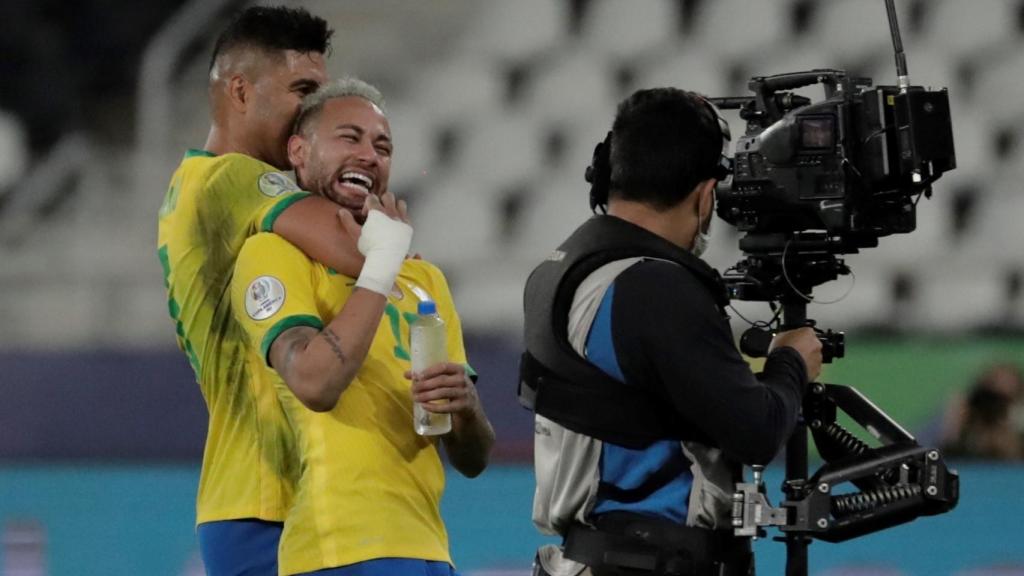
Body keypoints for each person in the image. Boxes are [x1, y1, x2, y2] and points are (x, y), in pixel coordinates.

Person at [519, 88, 823, 576]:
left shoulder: (553, 272)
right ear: (706, 196)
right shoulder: (655, 286)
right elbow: (758, 429)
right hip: (648, 561)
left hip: (582, 559)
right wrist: (792, 362)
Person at [156, 6, 397, 575]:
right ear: (240, 91)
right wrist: (385, 224)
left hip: (261, 494)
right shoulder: (231, 180)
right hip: (264, 497)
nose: (313, 107)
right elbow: (366, 250)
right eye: (302, 89)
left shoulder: (196, 185)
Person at [230, 77, 495, 576]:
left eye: (383, 146)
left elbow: (473, 458)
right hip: (336, 552)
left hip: (430, 551)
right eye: (348, 138)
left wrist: (466, 408)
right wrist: (382, 262)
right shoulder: (272, 253)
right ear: (299, 151)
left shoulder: (424, 279)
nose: (370, 155)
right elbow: (315, 382)